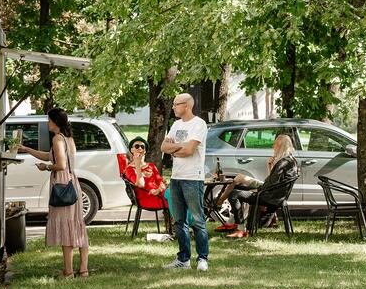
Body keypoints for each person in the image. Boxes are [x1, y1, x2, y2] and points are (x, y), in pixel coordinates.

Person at [18, 108, 89, 278]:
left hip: (62, 185)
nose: (47, 123)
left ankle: (68, 271)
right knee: (77, 225)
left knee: (66, 226)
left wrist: (46, 168)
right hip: (73, 183)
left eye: (49, 120)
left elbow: (60, 165)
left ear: (55, 122)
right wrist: (27, 149)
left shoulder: (58, 138)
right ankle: (83, 270)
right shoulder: (68, 139)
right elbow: (49, 156)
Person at [160, 93, 209, 271]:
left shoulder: (199, 124)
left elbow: (189, 150)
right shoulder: (176, 124)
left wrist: (175, 149)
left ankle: (202, 258)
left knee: (197, 220)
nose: (173, 107)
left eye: (176, 104)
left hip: (192, 178)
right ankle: (183, 259)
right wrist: (178, 149)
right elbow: (163, 147)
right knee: (179, 221)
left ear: (187, 105)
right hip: (176, 178)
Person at [216, 134, 299, 238]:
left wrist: (257, 190)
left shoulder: (282, 163)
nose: (273, 147)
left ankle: (240, 230)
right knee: (238, 188)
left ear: (280, 146)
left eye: (275, 144)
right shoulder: (291, 161)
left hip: (270, 197)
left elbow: (271, 184)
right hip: (276, 195)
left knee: (234, 194)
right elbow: (273, 182)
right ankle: (233, 223)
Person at [124, 136, 170, 230]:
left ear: (145, 151)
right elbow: (141, 185)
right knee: (176, 199)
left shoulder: (151, 166)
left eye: (142, 147)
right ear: (131, 150)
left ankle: (176, 228)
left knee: (178, 195)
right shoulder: (130, 169)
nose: (140, 148)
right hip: (145, 198)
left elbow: (160, 182)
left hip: (158, 195)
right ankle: (175, 228)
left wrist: (159, 189)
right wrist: (137, 164)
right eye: (137, 146)